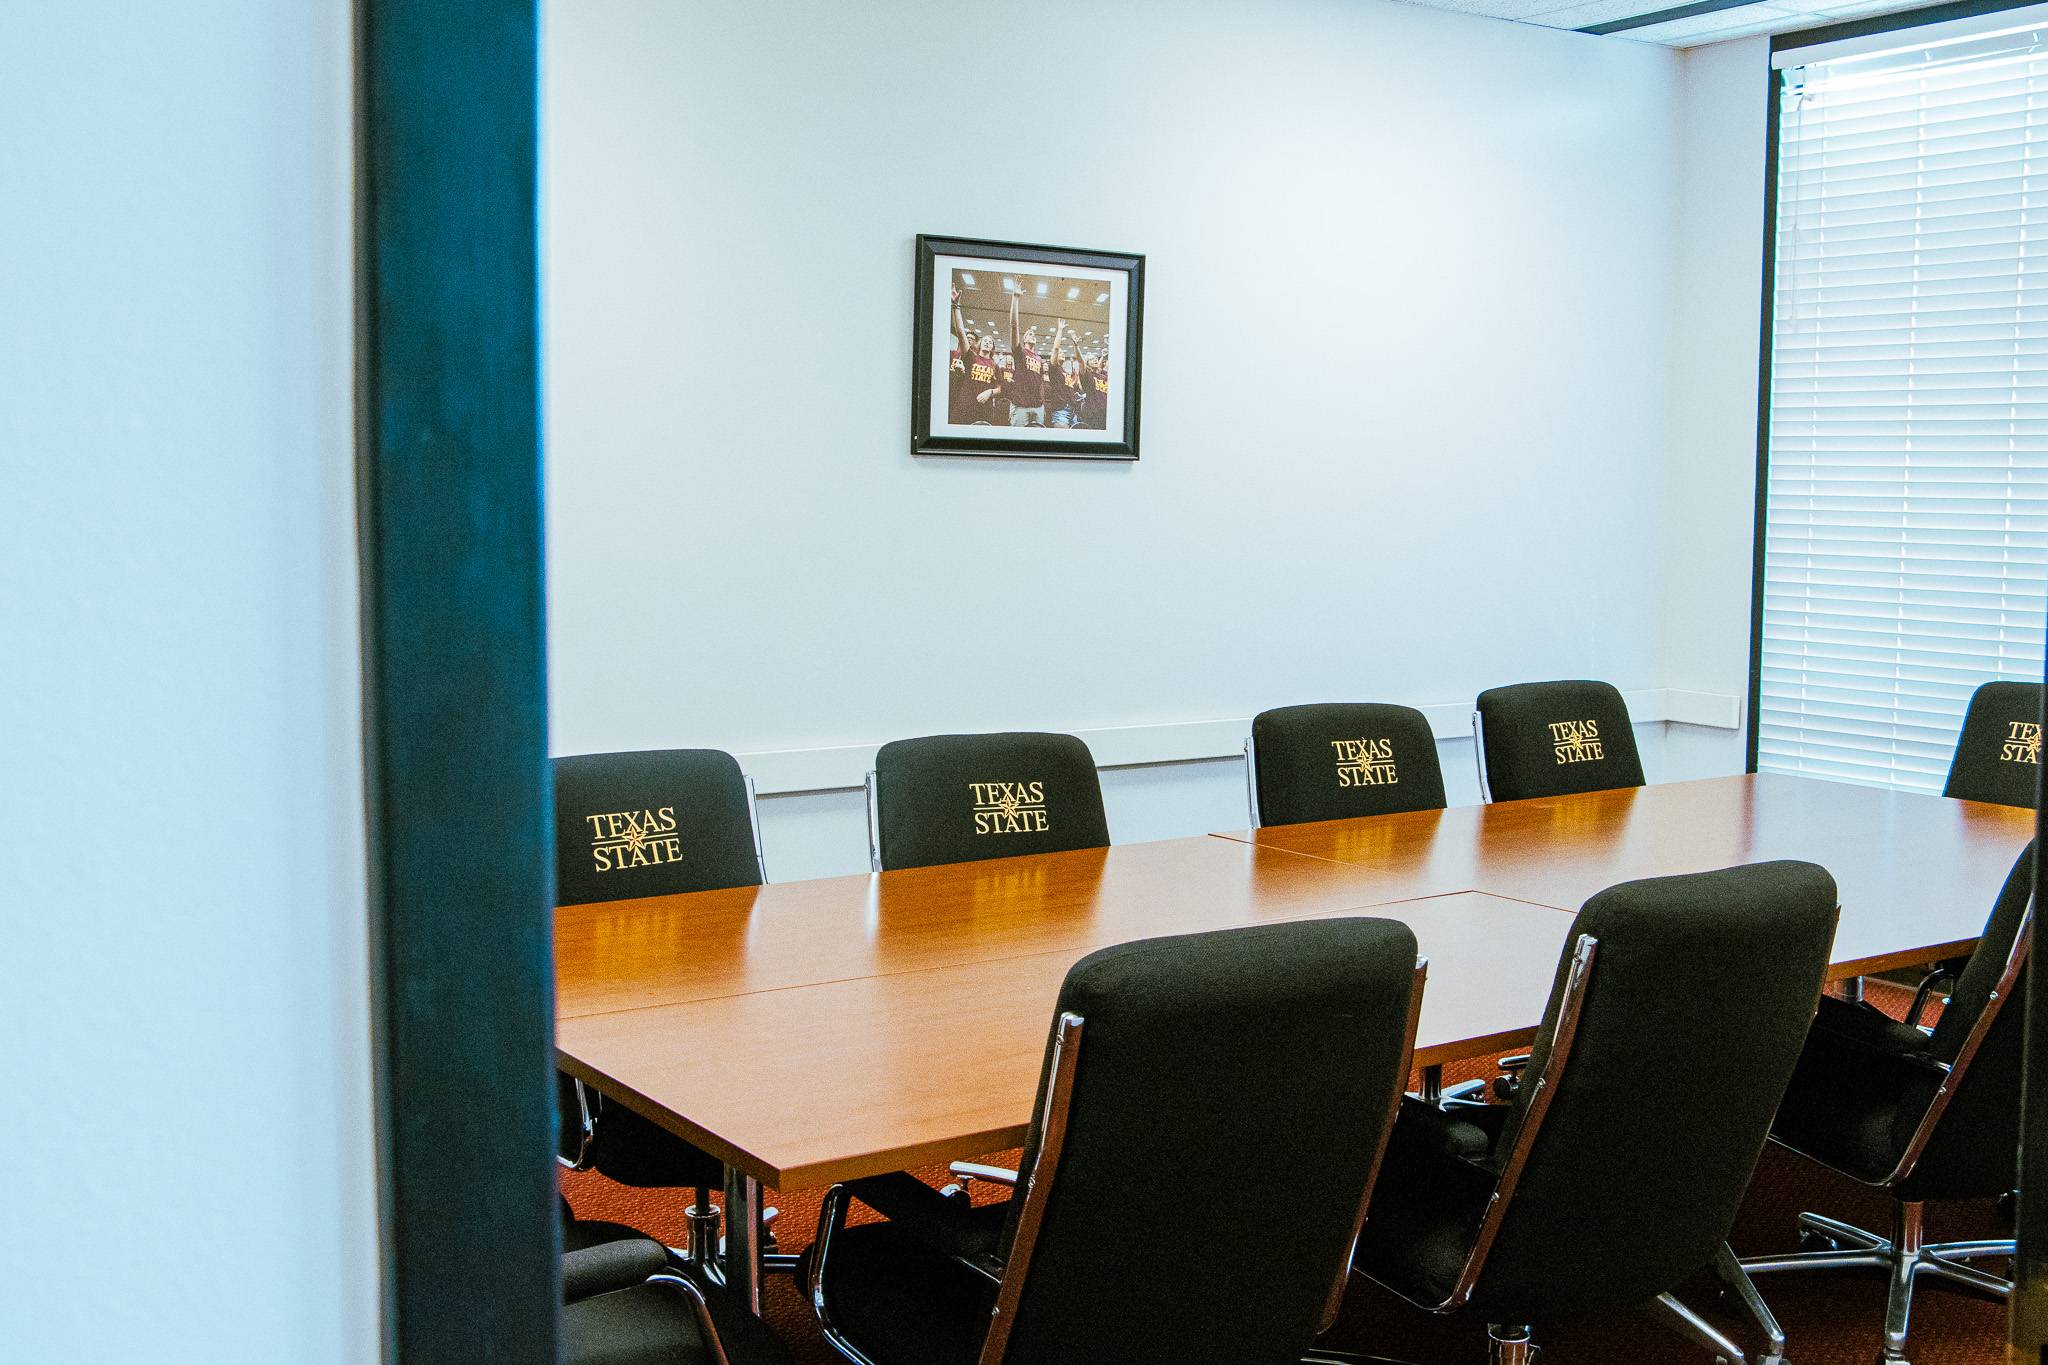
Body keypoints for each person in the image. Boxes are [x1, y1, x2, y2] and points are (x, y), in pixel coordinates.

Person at [1005, 289, 1059, 427]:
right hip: (1020, 405)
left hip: (1037, 406)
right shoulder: (1020, 352)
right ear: (1023, 339)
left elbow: (1040, 382)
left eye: (1034, 334)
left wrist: (1041, 401)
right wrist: (1015, 298)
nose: (1032, 334)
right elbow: (1013, 326)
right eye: (1029, 334)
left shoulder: (1039, 358)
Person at [952, 287, 1004, 424]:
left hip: (984, 409)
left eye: (990, 342)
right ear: (980, 345)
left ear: (992, 347)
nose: (987, 343)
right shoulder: (971, 357)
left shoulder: (995, 366)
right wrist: (956, 307)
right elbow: (961, 333)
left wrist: (990, 392)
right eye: (985, 341)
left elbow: (1000, 388)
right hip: (965, 406)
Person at [1050, 332, 1088, 428]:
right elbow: (1056, 348)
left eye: (1063, 352)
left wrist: (1074, 394)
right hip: (1061, 410)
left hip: (1072, 410)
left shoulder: (1064, 372)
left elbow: (1067, 387)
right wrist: (1060, 329)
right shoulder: (1054, 368)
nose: (1062, 353)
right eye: (1060, 352)